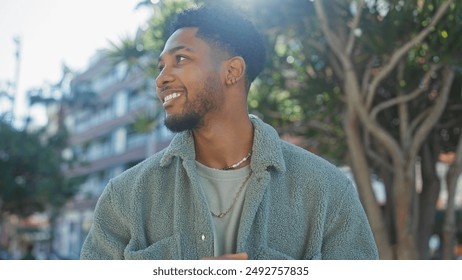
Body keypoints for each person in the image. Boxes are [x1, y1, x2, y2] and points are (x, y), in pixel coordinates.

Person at [80, 4, 378, 260]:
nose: (161, 79)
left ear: (232, 71)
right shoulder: (125, 196)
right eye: (161, 67)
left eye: (180, 59)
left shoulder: (326, 190)